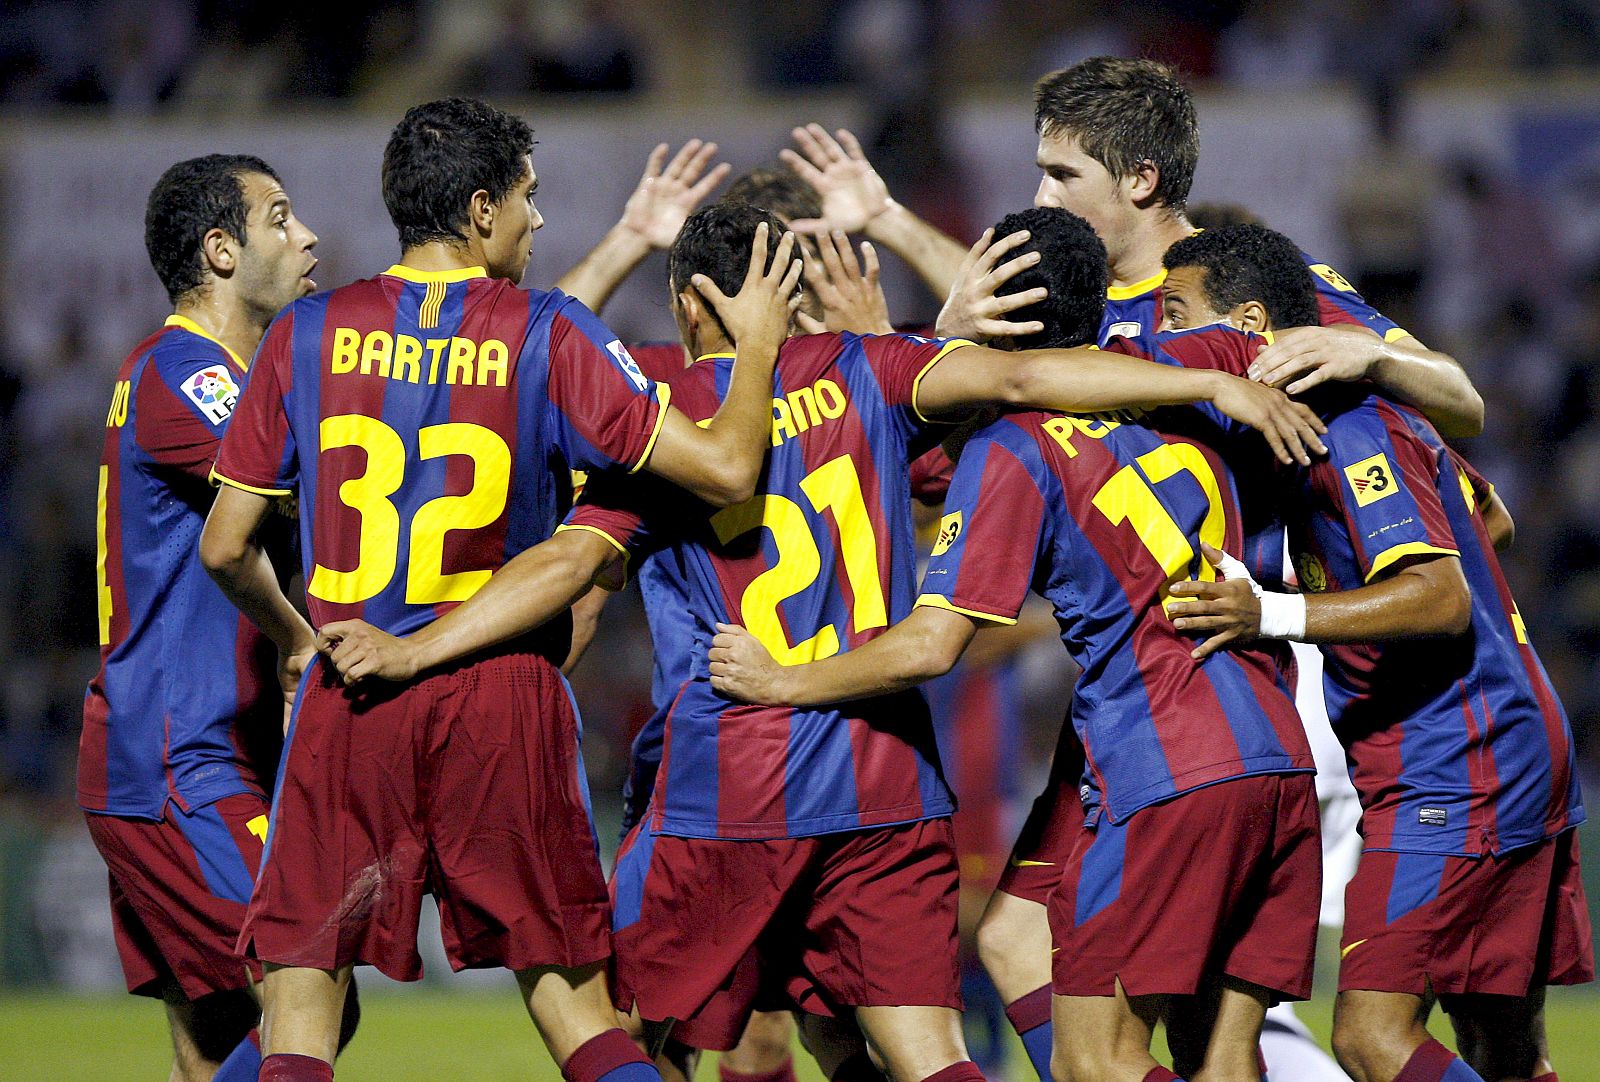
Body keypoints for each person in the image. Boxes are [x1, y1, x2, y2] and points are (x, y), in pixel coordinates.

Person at [311, 200, 1324, 1082]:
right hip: (891, 783)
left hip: (733, 781)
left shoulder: (664, 423)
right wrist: (1205, 385)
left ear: (690, 301)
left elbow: (565, 555)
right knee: (921, 1050)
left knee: (626, 1027)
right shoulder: (871, 367)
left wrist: (418, 649)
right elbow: (1022, 382)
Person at [197, 98, 801, 1082]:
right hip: (500, 695)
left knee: (301, 1010)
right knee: (578, 1013)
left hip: (351, 693)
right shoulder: (551, 330)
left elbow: (226, 546)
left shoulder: (305, 332)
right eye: (529, 198)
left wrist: (299, 634)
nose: (537, 220)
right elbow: (730, 468)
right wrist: (763, 342)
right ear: (481, 209)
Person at [934, 56, 1487, 1081]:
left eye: (1062, 176)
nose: (1041, 197)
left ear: (1138, 178)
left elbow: (1460, 399)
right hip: (1136, 693)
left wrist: (1374, 357)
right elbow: (979, 399)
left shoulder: (1239, 292)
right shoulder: (1081, 307)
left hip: (1215, 667)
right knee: (1019, 941)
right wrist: (941, 328)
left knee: (1134, 1026)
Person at [706, 208, 1323, 1082]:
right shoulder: (1197, 362)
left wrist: (782, 680)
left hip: (1165, 770)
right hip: (1277, 750)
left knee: (1096, 1065)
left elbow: (930, 644)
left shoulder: (1013, 451)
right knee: (1189, 1042)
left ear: (1001, 325)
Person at [1153, 224, 1592, 1082]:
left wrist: (1272, 614)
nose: (1162, 336)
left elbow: (1440, 592)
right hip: (1510, 731)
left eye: (1175, 313)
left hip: (1457, 758)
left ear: (1249, 323)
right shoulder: (1349, 421)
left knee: (1369, 1037)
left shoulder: (1349, 426)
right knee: (1501, 1046)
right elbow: (1487, 517)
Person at [80, 153, 360, 1082]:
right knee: (312, 986)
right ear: (221, 251)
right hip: (176, 758)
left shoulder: (195, 374)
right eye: (279, 217)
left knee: (211, 1046)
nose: (308, 235)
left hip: (178, 749)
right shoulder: (188, 374)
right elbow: (330, 485)